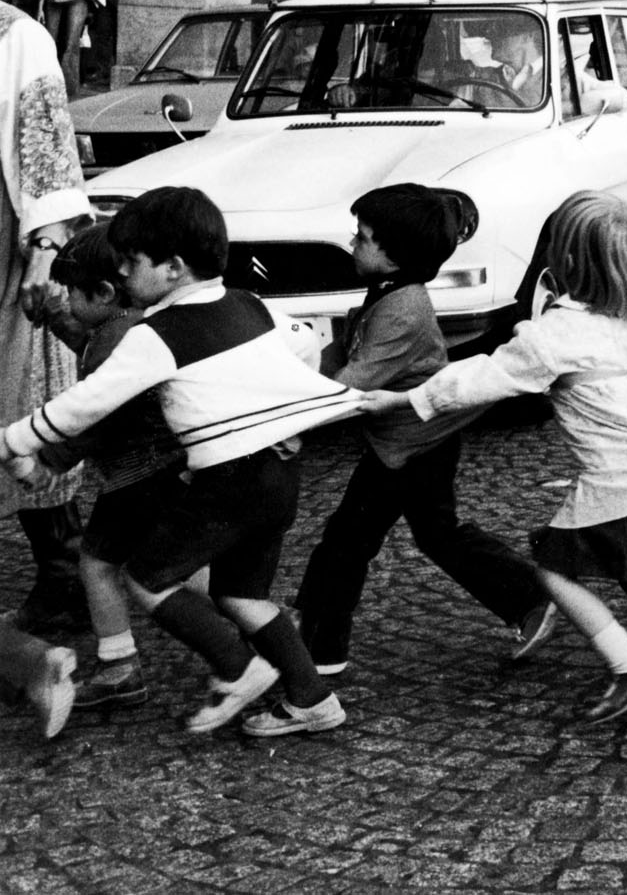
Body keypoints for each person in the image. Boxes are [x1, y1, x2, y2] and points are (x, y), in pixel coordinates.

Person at [360, 191, 627, 727]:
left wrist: (406, 399)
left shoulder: (556, 336)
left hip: (610, 478)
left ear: (565, 261)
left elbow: (480, 378)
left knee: (552, 573)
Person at [0, 186, 362, 735]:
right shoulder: (247, 303)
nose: (122, 273)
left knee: (148, 579)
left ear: (171, 268)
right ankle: (313, 699)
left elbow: (88, 404)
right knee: (243, 595)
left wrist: (13, 439)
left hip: (230, 477)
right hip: (279, 471)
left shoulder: (155, 334)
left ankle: (238, 669)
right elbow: (302, 345)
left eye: (130, 261)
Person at [294, 186, 554, 679]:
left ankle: (320, 649)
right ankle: (533, 596)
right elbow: (347, 353)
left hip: (409, 446)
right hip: (412, 441)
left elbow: (352, 385)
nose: (353, 243)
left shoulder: (402, 309)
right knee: (434, 534)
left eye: (363, 238)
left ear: (395, 257)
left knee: (349, 541)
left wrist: (287, 414)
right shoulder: (391, 293)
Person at [40, 224, 184, 715]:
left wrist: (49, 459)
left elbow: (94, 414)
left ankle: (120, 668)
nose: (69, 304)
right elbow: (87, 337)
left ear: (102, 292)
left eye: (73, 296)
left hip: (135, 474)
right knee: (187, 563)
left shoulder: (112, 340)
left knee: (98, 565)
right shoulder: (134, 323)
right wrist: (60, 319)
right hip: (170, 467)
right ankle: (264, 627)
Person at [0, 0, 92, 641]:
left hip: (6, 248)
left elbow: (48, 147)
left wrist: (46, 246)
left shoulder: (20, 38)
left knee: (26, 404)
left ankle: (65, 577)